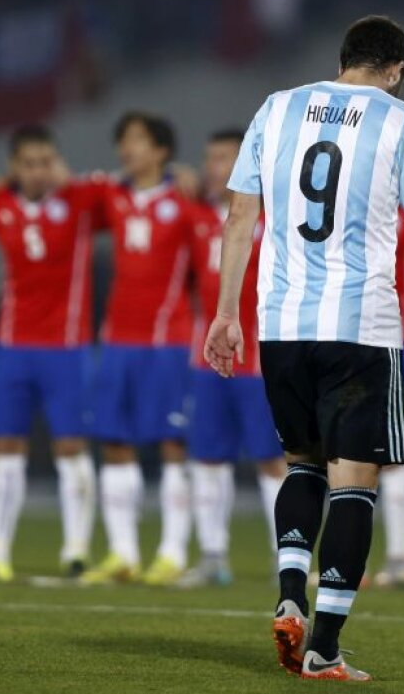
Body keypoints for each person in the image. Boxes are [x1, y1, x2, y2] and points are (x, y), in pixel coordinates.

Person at [206, 15, 404, 681]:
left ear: (343, 58)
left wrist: (224, 311)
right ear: (398, 70)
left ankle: (290, 590)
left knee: (301, 466)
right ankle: (323, 646)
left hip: (282, 324)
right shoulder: (403, 123)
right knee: (355, 484)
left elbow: (240, 218)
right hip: (360, 328)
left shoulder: (278, 106)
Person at [0, 126, 100, 583]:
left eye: (46, 161)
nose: (39, 171)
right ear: (14, 167)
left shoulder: (79, 203)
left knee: (71, 448)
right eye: (30, 163)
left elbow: (126, 192)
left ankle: (75, 552)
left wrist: (66, 178)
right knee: (5, 449)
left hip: (66, 349)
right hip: (13, 347)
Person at [83, 112, 199, 587]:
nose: (127, 149)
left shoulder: (186, 203)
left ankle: (172, 552)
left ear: (161, 151)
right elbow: (64, 195)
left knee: (173, 445)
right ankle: (123, 554)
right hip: (117, 341)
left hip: (167, 342)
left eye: (138, 140)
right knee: (114, 443)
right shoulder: (110, 195)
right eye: (123, 140)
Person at [181, 128, 285, 588]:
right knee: (208, 458)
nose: (214, 166)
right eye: (211, 157)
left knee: (272, 460)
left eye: (225, 156)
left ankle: (289, 558)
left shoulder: (276, 218)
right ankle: (213, 556)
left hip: (260, 361)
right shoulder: (198, 218)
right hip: (209, 360)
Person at [368, 211, 404, 588]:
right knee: (344, 449)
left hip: (392, 334)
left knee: (389, 449)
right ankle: (354, 562)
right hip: (349, 332)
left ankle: (400, 558)